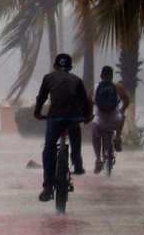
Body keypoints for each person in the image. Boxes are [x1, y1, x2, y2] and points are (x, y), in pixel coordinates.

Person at [34, 53, 92, 202]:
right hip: (73, 118)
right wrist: (85, 117)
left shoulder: (48, 78)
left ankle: (47, 187)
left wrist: (37, 113)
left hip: (55, 118)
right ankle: (77, 163)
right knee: (75, 139)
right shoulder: (77, 80)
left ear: (55, 66)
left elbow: (41, 98)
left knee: (49, 148)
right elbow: (85, 102)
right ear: (70, 67)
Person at [92, 66, 130, 174]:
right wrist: (121, 110)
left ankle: (98, 160)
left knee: (95, 135)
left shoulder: (95, 87)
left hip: (99, 121)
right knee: (122, 116)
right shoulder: (118, 87)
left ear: (101, 76)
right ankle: (117, 138)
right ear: (112, 76)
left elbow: (88, 102)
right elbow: (127, 101)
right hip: (115, 121)